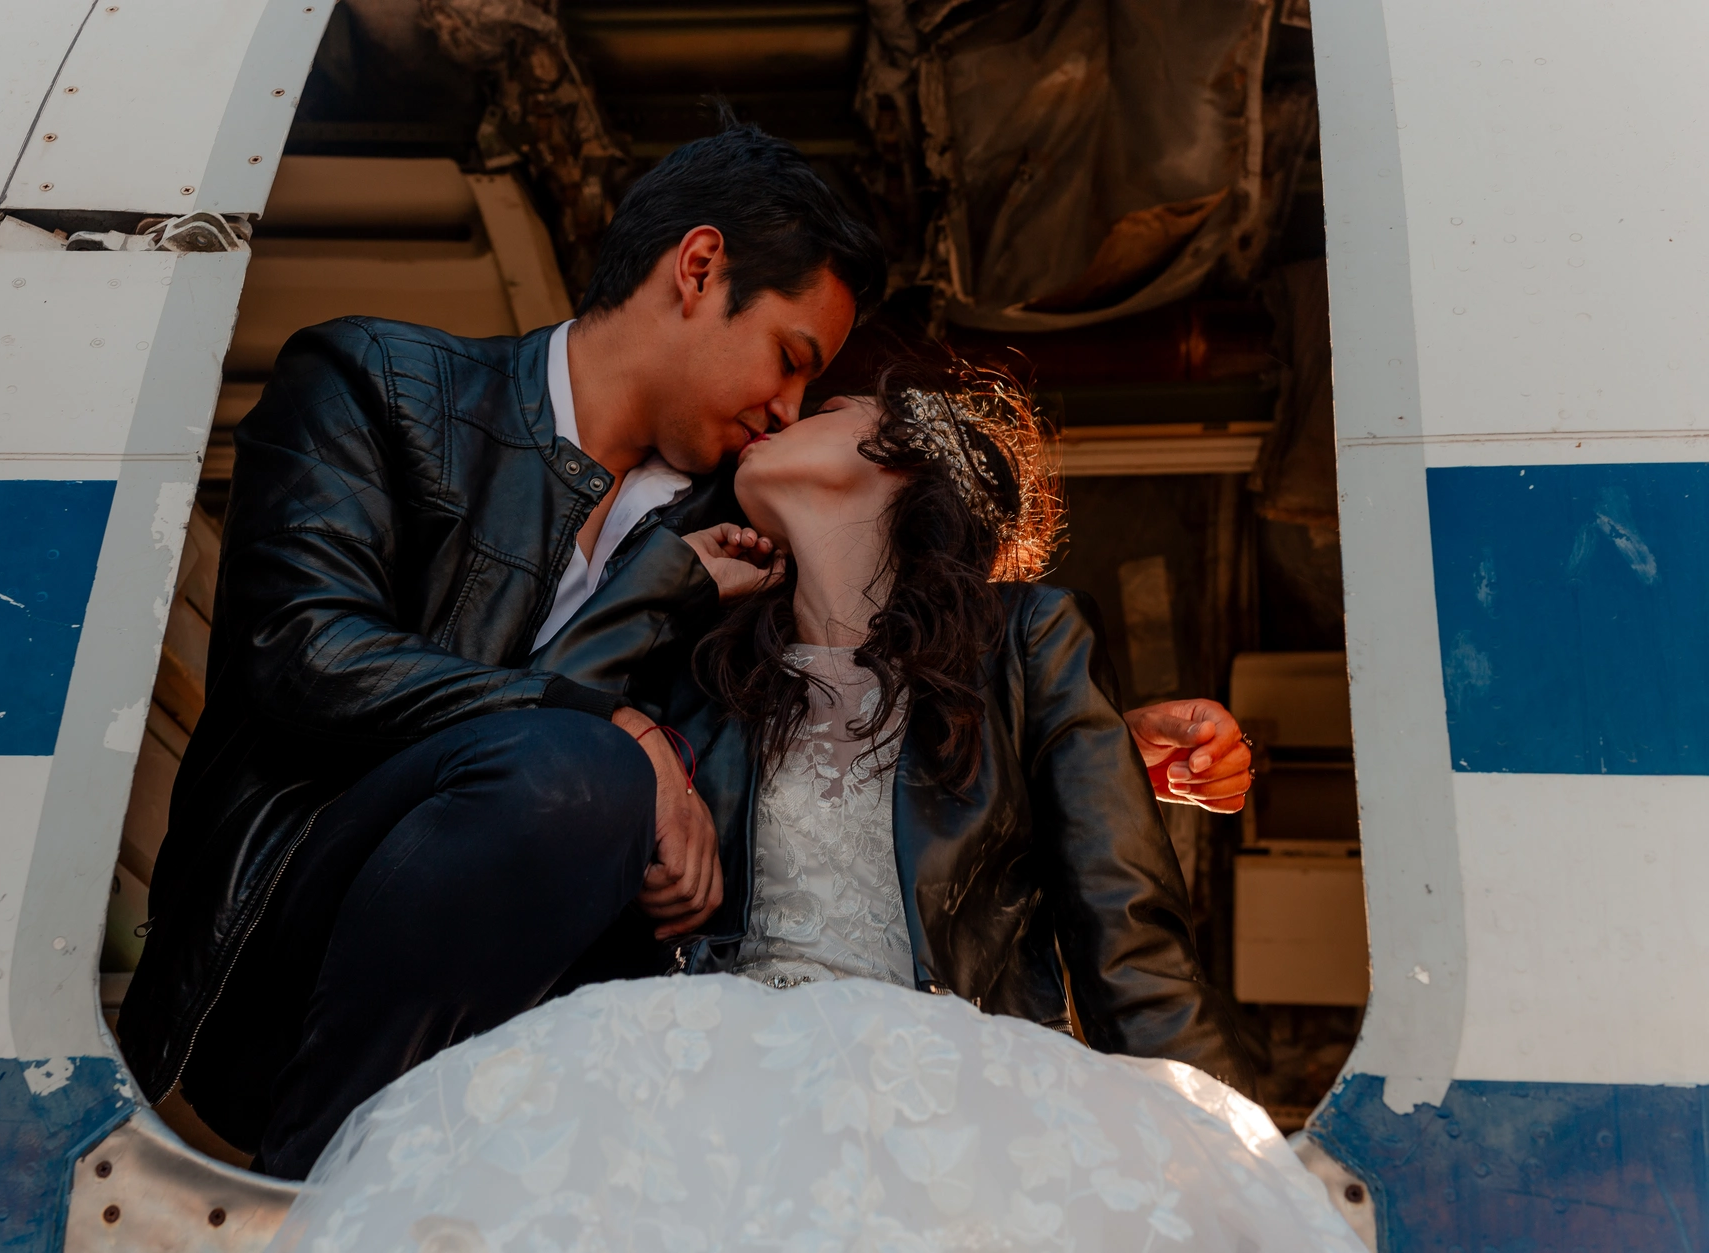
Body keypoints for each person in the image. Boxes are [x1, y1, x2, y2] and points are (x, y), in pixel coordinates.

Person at [119, 121, 1251, 1181]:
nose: (790, 405)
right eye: (791, 356)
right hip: (302, 948)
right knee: (579, 773)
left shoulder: (738, 537)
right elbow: (301, 651)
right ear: (698, 267)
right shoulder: (378, 384)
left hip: (586, 1046)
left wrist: (1082, 740)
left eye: (820, 392)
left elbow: (873, 704)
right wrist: (617, 725)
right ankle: (328, 1192)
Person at [264, 363, 1322, 1253]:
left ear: (900, 457)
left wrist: (1251, 1167)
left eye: (822, 410)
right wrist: (657, 581)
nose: (778, 416)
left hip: (942, 1093)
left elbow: (1123, 926)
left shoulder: (1029, 639)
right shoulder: (707, 663)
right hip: (705, 1085)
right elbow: (549, 725)